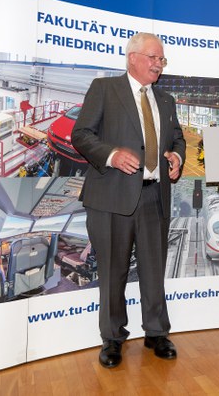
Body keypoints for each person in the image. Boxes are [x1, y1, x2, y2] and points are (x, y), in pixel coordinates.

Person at [72, 32, 186, 368]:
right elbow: (81, 134)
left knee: (153, 271)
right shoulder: (104, 89)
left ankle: (156, 332)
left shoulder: (166, 100)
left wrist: (176, 158)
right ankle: (112, 339)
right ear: (132, 57)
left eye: (161, 59)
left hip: (154, 197)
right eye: (152, 57)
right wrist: (111, 156)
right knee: (112, 272)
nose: (158, 64)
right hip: (111, 198)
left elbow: (177, 138)